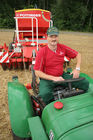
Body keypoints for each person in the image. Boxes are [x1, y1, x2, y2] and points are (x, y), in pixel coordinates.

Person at [34, 26, 89, 104]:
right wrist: (54, 78)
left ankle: (80, 103)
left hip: (61, 76)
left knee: (85, 83)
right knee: (44, 94)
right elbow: (37, 72)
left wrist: (77, 68)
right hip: (47, 79)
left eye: (55, 36)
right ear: (47, 37)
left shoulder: (62, 48)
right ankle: (52, 106)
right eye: (51, 36)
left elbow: (78, 54)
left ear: (58, 37)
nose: (53, 39)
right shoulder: (42, 52)